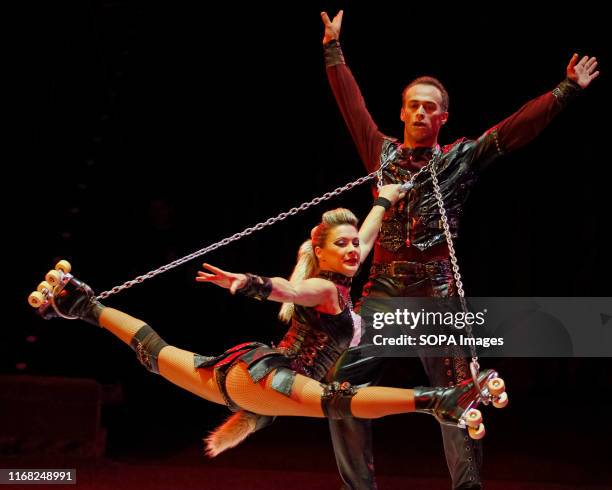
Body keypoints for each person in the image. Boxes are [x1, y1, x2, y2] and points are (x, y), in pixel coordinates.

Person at [320, 9, 599, 490]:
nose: (422, 113)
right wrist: (332, 50)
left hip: (437, 293)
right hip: (383, 292)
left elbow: (511, 131)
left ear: (443, 117)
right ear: (403, 112)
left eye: (431, 107)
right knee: (340, 389)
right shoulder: (380, 154)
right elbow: (352, 106)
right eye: (414, 106)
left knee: (460, 397)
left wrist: (565, 89)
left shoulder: (459, 158)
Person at [29, 185, 501, 460]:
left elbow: (368, 234)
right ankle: (439, 400)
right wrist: (247, 283)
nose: (355, 249)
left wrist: (385, 200)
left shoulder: (341, 284)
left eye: (356, 243)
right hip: (273, 379)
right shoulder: (320, 288)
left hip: (254, 385)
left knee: (153, 353)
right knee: (339, 402)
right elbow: (288, 289)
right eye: (344, 245)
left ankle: (85, 308)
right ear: (320, 253)